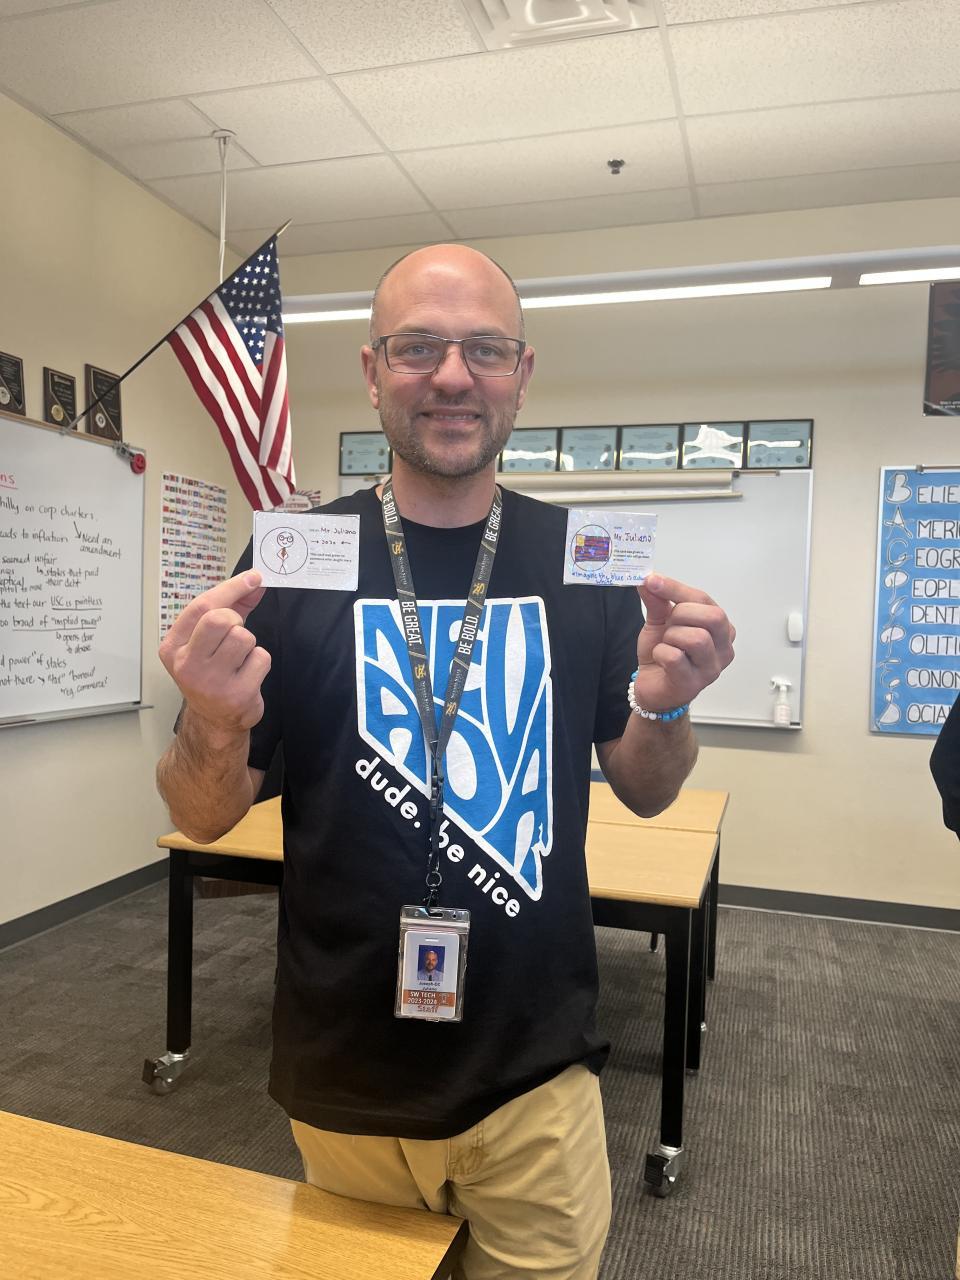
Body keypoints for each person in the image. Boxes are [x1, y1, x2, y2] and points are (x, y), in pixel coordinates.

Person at [156, 244, 735, 1280]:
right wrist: (211, 721)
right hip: (344, 1065)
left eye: (486, 349)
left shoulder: (589, 563)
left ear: (523, 372)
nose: (454, 375)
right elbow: (201, 815)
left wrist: (669, 702)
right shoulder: (291, 564)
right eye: (419, 346)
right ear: (373, 370)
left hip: (534, 1068)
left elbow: (647, 787)